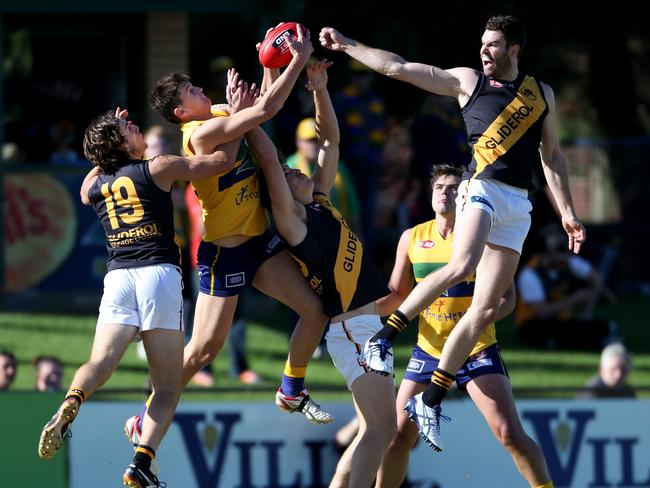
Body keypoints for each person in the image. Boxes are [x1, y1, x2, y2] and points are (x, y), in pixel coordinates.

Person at [320, 15, 586, 460]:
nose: (484, 51)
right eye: (482, 43)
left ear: (514, 49)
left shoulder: (542, 95)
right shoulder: (467, 82)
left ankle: (431, 399)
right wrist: (347, 44)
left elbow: (552, 156)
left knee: (484, 310)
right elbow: (398, 67)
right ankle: (383, 339)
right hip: (479, 188)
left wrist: (569, 213)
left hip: (518, 205)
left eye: (494, 44)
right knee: (461, 264)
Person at [136, 23, 332, 428]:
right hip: (224, 253)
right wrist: (296, 59)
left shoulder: (224, 113)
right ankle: (149, 409)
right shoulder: (198, 135)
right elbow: (263, 111)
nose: (199, 90)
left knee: (315, 312)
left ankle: (291, 389)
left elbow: (259, 105)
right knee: (204, 350)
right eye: (190, 91)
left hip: (259, 243)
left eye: (194, 85)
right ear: (181, 113)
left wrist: (269, 63)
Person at [37, 106, 239, 487]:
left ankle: (71, 401)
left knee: (100, 361)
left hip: (118, 279)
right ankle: (142, 461)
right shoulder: (157, 167)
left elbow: (86, 186)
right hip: (158, 276)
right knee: (166, 384)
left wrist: (110, 141)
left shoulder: (93, 188)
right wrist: (238, 119)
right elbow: (221, 162)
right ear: (119, 145)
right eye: (127, 126)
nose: (133, 124)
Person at [254, 58, 396, 488]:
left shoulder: (319, 201)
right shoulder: (292, 220)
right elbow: (269, 163)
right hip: (350, 326)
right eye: (289, 172)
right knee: (381, 430)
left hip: (367, 324)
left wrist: (318, 89)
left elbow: (331, 141)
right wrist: (249, 117)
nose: (298, 169)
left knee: (374, 429)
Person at [374, 164, 552, 488]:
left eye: (454, 188)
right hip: (429, 349)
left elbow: (508, 299)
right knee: (397, 435)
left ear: (467, 196)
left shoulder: (485, 236)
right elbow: (397, 295)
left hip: (475, 348)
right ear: (430, 195)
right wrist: (358, 311)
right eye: (439, 187)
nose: (445, 192)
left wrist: (476, 318)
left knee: (509, 432)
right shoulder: (412, 238)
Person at [515, 224, 615, 351]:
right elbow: (542, 312)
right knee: (541, 330)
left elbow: (597, 279)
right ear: (546, 253)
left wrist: (586, 311)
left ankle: (576, 336)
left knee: (597, 327)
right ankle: (586, 339)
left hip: (561, 321)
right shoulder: (530, 273)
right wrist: (575, 298)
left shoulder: (565, 263)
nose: (564, 257)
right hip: (534, 323)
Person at [286, 116, 361, 230]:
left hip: (338, 226)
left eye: (316, 140)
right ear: (298, 142)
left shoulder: (338, 166)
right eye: (308, 140)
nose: (313, 145)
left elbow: (351, 200)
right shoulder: (290, 167)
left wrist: (356, 228)